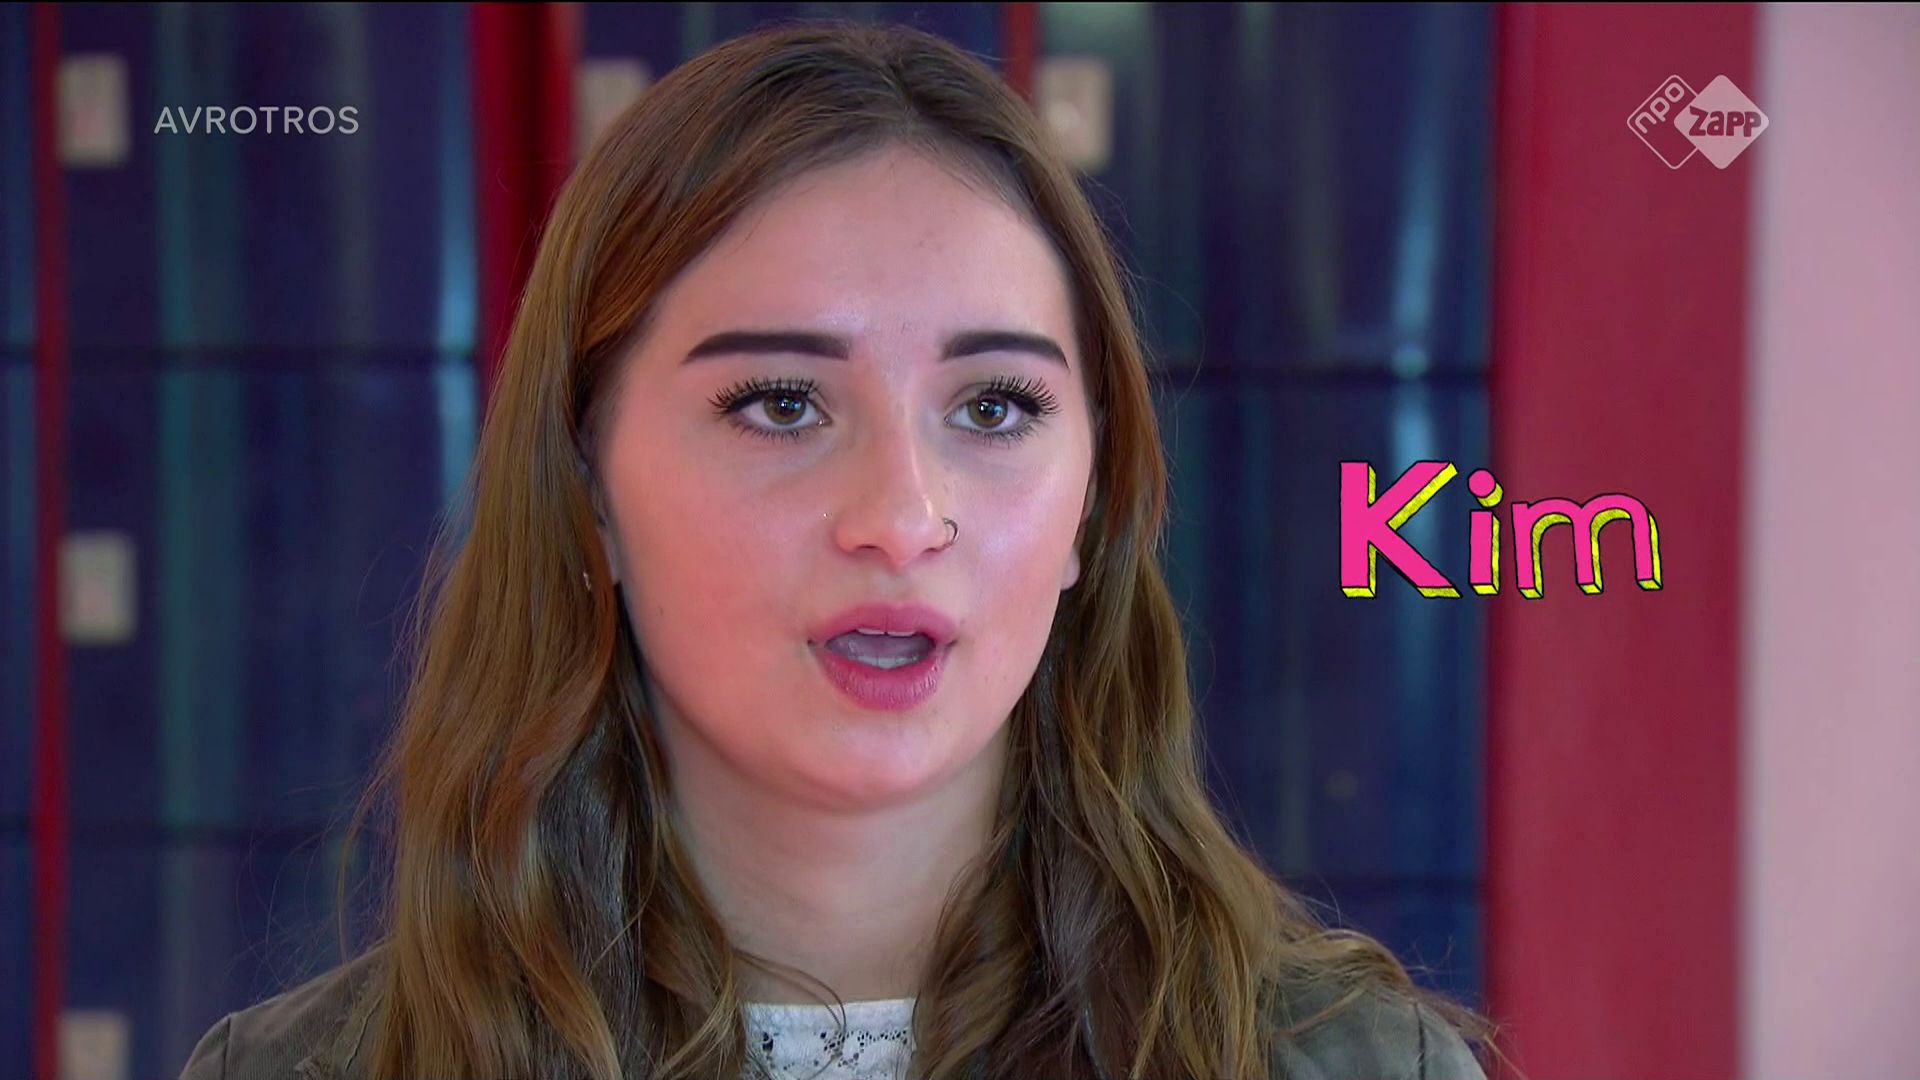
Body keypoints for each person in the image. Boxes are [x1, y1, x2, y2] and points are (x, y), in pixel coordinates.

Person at [180, 20, 1491, 1080]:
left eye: (995, 408)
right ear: (586, 491)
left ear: (1092, 504)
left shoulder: (1361, 1066)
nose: (903, 516)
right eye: (780, 405)